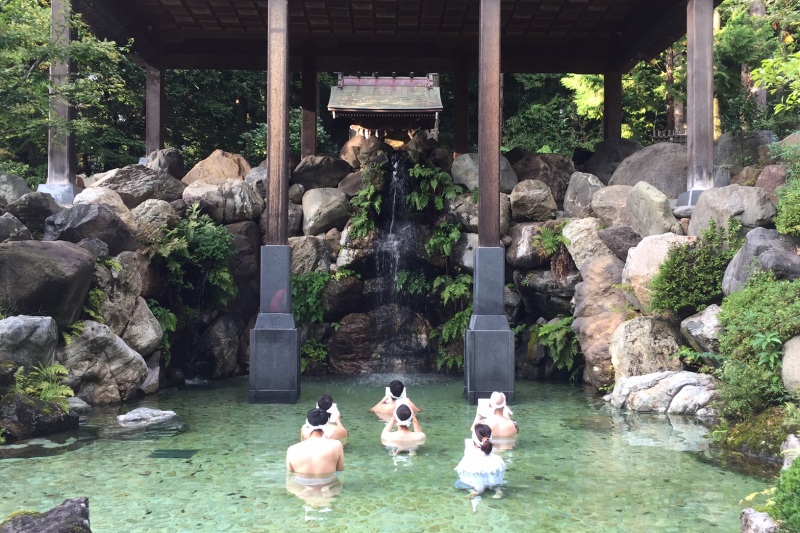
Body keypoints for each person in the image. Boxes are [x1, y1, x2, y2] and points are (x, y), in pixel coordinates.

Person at [286, 408, 345, 498]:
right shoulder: (336, 445)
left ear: (308, 423)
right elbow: (340, 469)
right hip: (327, 483)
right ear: (327, 424)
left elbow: (290, 472)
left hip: (301, 484)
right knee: (335, 486)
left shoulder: (292, 449)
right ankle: (325, 488)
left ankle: (307, 489)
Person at [454, 423, 506, 499]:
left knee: (458, 484)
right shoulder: (497, 459)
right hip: (492, 481)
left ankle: (473, 491)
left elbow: (463, 473)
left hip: (476, 482)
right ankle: (498, 490)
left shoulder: (470, 456)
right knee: (495, 482)